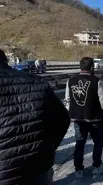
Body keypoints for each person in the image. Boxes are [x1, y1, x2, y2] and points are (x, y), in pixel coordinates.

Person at [0, 49, 70, 184]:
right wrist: (47, 148)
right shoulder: (38, 82)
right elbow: (62, 119)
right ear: (6, 60)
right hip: (38, 166)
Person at [64, 57, 103, 178]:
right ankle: (97, 167)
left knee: (79, 144)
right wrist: (101, 111)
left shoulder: (70, 81)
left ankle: (78, 170)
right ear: (92, 67)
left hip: (78, 119)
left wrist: (73, 111)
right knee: (98, 143)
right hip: (95, 118)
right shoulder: (96, 81)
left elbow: (67, 99)